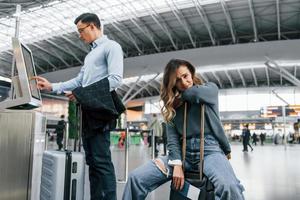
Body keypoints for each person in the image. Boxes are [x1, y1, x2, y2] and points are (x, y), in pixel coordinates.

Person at [122, 59, 244, 200]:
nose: (184, 82)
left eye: (185, 76)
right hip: (182, 153)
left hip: (210, 152)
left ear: (191, 73)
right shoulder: (172, 107)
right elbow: (173, 140)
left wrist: (176, 95)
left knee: (230, 187)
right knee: (136, 178)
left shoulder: (209, 90)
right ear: (173, 84)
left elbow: (194, 94)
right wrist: (177, 165)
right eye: (178, 80)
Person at [33, 13, 123, 200]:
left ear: (92, 26)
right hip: (88, 111)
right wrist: (52, 87)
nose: (80, 36)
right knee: (92, 161)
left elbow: (115, 80)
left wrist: (82, 94)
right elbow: (79, 81)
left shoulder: (111, 47)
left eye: (81, 31)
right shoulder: (91, 55)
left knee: (101, 161)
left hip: (100, 112)